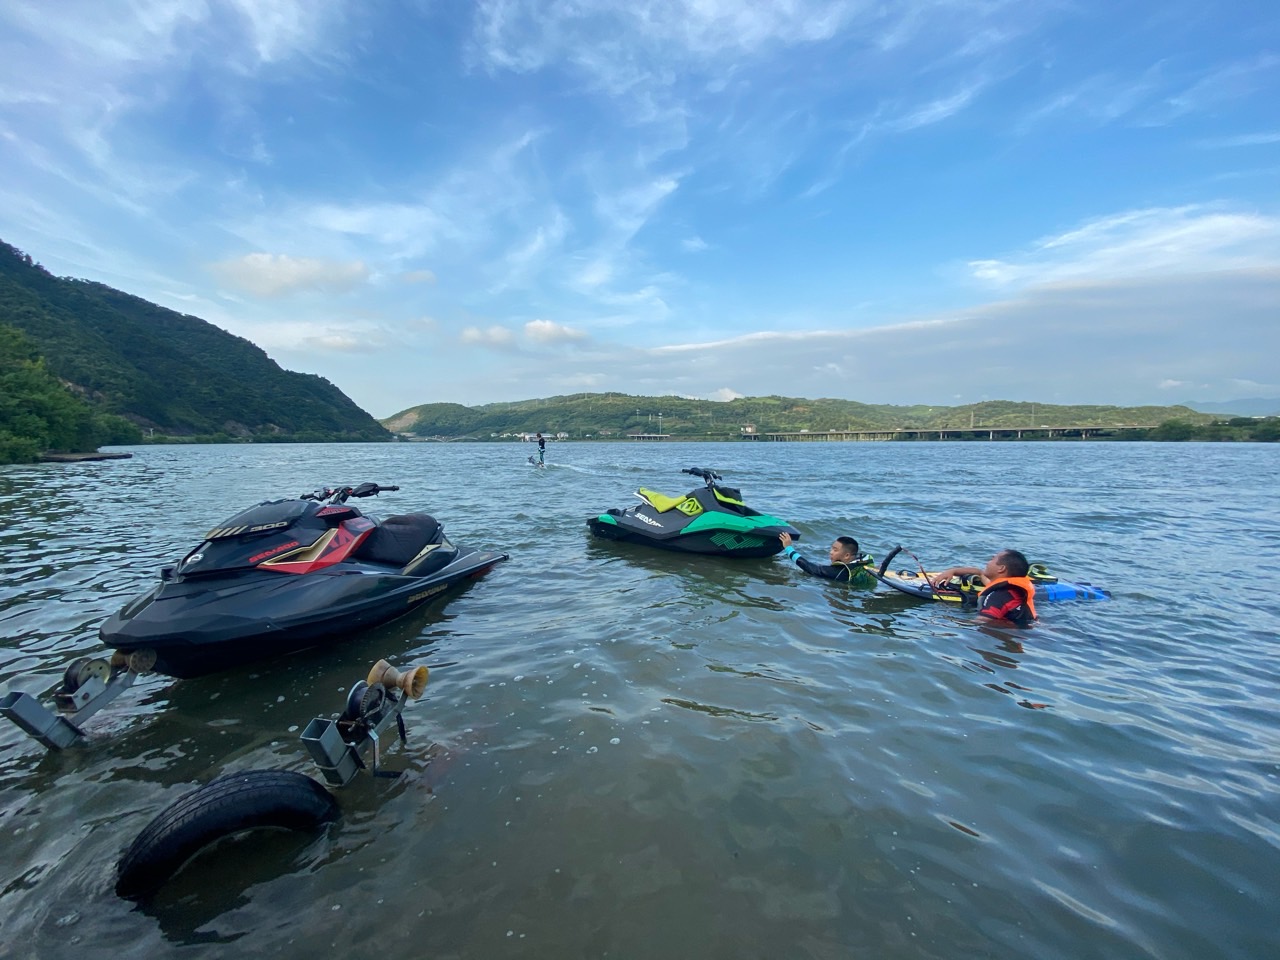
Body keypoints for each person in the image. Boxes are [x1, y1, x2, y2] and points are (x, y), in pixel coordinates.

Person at [930, 549, 1037, 624]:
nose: (988, 562)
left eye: (993, 559)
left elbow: (982, 622)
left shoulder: (999, 596)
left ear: (1001, 569)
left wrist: (949, 622)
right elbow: (979, 573)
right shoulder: (1006, 588)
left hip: (1014, 632)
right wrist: (953, 571)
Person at [778, 531, 875, 586]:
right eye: (831, 548)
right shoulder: (864, 561)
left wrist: (788, 548)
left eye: (835, 550)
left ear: (847, 555)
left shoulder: (839, 572)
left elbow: (810, 568)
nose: (831, 552)